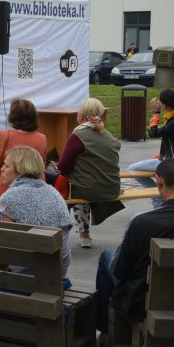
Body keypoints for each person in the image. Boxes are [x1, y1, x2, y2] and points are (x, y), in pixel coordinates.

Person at [95, 158, 174, 347]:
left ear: (160, 183)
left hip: (147, 301)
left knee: (107, 256)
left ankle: (107, 336)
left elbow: (120, 270)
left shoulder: (143, 223)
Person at [51, 97, 121, 248]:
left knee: (70, 186)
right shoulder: (109, 136)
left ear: (81, 116)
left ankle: (55, 230)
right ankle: (84, 235)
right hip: (111, 187)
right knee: (83, 184)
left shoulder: (78, 135)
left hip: (89, 189)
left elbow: (64, 167)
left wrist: (54, 167)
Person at [0, 146, 74, 284]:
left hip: (25, 278)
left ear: (19, 172)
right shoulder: (54, 194)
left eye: (6, 166)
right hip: (58, 274)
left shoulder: (9, 198)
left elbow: (6, 245)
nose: (1, 169)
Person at [126, 88, 174, 208]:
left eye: (160, 102)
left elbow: (153, 132)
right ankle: (161, 201)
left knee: (132, 169)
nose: (158, 103)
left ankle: (158, 202)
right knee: (150, 168)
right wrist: (160, 155)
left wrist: (156, 112)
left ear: (164, 105)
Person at [0, 98, 48, 201]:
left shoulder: (5, 135)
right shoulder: (42, 138)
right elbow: (42, 164)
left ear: (13, 117)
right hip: (36, 189)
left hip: (8, 188)